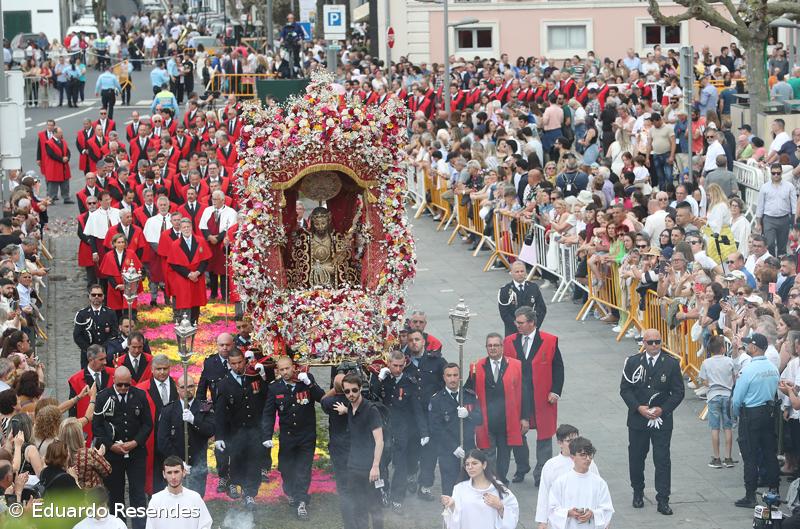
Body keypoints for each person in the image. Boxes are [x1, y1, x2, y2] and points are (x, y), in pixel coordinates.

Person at [620, 328, 685, 515]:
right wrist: (638, 408)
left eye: (658, 342)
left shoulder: (671, 363)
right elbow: (625, 389)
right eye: (651, 342)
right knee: (637, 457)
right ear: (644, 343)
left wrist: (663, 409)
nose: (655, 345)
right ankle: (638, 492)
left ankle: (663, 498)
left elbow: (678, 391)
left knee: (662, 460)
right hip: (638, 420)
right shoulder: (633, 362)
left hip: (661, 420)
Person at [503, 306, 564, 485]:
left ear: (532, 323)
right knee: (517, 433)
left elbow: (558, 367)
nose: (517, 325)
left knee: (544, 436)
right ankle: (522, 467)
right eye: (517, 322)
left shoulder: (550, 340)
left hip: (542, 396)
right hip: (518, 397)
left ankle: (542, 474)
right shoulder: (509, 341)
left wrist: (556, 391)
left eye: (521, 323)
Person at [262, 356, 325, 519]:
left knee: (304, 469)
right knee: (286, 468)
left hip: (306, 436)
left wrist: (310, 384)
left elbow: (321, 398)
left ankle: (301, 501)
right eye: (281, 369)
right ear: (277, 370)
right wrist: (267, 435)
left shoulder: (305, 380)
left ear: (293, 367)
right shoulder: (274, 388)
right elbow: (269, 413)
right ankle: (291, 491)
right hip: (288, 436)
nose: (284, 372)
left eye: (287, 368)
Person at [92, 366, 152, 529]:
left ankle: (140, 526)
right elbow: (96, 427)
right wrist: (111, 446)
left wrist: (135, 442)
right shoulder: (103, 397)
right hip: (113, 456)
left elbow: (147, 424)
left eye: (127, 384)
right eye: (120, 385)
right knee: (116, 495)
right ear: (114, 381)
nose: (124, 388)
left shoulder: (139, 395)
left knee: (138, 494)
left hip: (136, 453)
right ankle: (119, 526)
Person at [370, 350, 425, 513]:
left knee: (401, 465)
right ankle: (382, 491)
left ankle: (397, 498)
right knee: (381, 463)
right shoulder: (382, 378)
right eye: (395, 365)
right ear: (388, 364)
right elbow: (372, 396)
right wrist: (380, 378)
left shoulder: (410, 382)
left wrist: (424, 432)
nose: (398, 369)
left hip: (402, 429)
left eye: (401, 366)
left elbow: (417, 409)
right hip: (384, 428)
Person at [214, 347, 269, 507]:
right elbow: (220, 413)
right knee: (236, 460)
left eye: (239, 362)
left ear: (244, 361)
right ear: (229, 364)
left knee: (254, 462)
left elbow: (266, 397)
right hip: (235, 431)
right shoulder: (224, 384)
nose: (237, 366)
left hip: (254, 430)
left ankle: (250, 493)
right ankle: (234, 483)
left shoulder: (254, 378)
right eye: (233, 364)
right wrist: (220, 436)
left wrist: (264, 377)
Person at [465, 333, 522, 485]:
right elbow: (468, 390)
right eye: (490, 345)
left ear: (502, 347)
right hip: (486, 420)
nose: (493, 348)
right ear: (486, 347)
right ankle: (493, 481)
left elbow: (523, 393)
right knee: (488, 454)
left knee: (504, 455)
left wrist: (524, 417)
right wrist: (469, 411)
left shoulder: (516, 365)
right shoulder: (476, 367)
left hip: (506, 420)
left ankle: (502, 479)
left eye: (496, 345)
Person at [330, 372, 384, 529]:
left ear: (360, 388)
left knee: (374, 507)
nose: (351, 394)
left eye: (354, 390)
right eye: (347, 391)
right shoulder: (350, 408)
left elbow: (379, 441)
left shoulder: (371, 410)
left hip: (369, 467)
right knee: (359, 506)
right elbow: (354, 414)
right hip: (353, 466)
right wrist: (345, 410)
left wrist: (375, 466)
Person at [732, 332, 781, 508]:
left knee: (750, 456)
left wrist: (737, 414)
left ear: (754, 347)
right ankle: (774, 491)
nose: (746, 347)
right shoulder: (773, 368)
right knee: (770, 453)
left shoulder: (748, 370)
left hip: (750, 415)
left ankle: (750, 495)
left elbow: (737, 399)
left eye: (748, 345)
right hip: (769, 413)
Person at [404, 328, 447, 501]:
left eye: (417, 339)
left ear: (424, 342)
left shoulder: (435, 361)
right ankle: (412, 475)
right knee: (411, 449)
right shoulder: (403, 361)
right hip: (410, 415)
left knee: (430, 452)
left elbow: (447, 380)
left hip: (431, 414)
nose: (414, 343)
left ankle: (425, 485)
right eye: (411, 340)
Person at [429, 363, 482, 496]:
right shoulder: (437, 400)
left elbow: (480, 419)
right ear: (444, 377)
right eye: (449, 376)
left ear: (460, 377)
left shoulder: (469, 396)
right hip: (447, 451)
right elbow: (436, 428)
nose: (452, 379)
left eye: (455, 375)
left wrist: (468, 414)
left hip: (469, 449)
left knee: (471, 486)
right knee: (450, 488)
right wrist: (453, 447)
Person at [157, 375, 215, 496]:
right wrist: (178, 462)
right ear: (178, 389)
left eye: (190, 386)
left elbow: (211, 430)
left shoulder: (204, 407)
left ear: (195, 388)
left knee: (196, 500)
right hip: (175, 466)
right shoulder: (168, 410)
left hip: (198, 463)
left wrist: (194, 421)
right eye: (183, 387)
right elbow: (163, 441)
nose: (187, 390)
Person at [535, 424, 600, 529]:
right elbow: (544, 493)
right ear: (560, 443)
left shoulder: (588, 462)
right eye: (569, 441)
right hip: (560, 519)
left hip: (585, 518)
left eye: (576, 439)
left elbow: (599, 489)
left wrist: (601, 517)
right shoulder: (551, 465)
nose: (574, 444)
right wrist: (542, 521)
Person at [441, 449, 519, 529]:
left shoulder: (498, 489)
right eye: (467, 464)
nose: (470, 467)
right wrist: (452, 505)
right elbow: (454, 519)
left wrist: (500, 507)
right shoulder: (460, 488)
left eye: (474, 463)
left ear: (484, 465)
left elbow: (513, 513)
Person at [546, 437, 614, 529]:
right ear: (572, 457)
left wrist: (593, 513)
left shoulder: (599, 483)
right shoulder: (561, 482)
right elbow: (552, 509)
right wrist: (568, 513)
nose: (588, 459)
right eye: (583, 455)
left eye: (590, 455)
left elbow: (607, 509)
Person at [136, 354, 178, 494]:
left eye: (165, 368)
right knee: (154, 484)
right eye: (158, 369)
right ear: (152, 370)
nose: (162, 372)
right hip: (151, 441)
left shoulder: (178, 385)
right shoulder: (141, 389)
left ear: (169, 368)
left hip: (173, 441)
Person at [699, 335, 736, 469]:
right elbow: (734, 377)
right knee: (728, 427)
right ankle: (728, 457)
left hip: (713, 396)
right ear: (722, 348)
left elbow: (702, 379)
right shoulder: (729, 361)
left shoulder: (706, 363)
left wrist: (710, 383)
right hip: (727, 396)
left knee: (715, 428)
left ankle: (716, 457)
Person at [144, 456, 212, 529]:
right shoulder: (156, 500)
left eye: (176, 472)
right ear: (164, 474)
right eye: (169, 472)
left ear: (183, 472)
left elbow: (205, 525)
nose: (173, 477)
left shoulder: (195, 498)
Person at [168, 218, 211, 324]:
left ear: (192, 227)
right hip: (183, 278)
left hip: (197, 277)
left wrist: (198, 272)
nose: (186, 229)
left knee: (196, 301)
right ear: (180, 229)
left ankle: (194, 323)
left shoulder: (200, 241)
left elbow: (205, 260)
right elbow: (174, 264)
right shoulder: (175, 244)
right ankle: (184, 324)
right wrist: (188, 274)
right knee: (184, 301)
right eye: (184, 227)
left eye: (188, 227)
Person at [67, 344, 113, 442]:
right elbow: (72, 411)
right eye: (101, 360)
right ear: (91, 359)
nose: (105, 362)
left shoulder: (113, 374)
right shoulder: (76, 380)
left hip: (110, 429)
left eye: (105, 358)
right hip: (88, 431)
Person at [73, 285, 118, 369]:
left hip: (106, 353)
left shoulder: (110, 313)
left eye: (99, 295)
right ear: (89, 296)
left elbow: (114, 333)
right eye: (94, 295)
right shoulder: (82, 314)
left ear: (103, 296)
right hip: (88, 355)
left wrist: (102, 348)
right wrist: (89, 349)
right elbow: (77, 336)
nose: (96, 297)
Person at [757, 162, 797, 257]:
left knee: (782, 246)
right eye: (773, 173)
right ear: (770, 173)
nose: (776, 175)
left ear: (781, 173)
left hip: (784, 219)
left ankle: (781, 265)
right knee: (769, 243)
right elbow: (760, 206)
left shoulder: (789, 186)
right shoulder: (765, 187)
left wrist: (795, 221)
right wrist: (758, 223)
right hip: (769, 219)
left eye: (778, 173)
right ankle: (771, 264)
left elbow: (794, 205)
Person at [497, 261, 546, 336]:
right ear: (511, 273)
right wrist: (519, 326)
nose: (520, 274)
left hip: (531, 331)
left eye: (522, 271)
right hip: (513, 332)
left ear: (526, 272)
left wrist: (534, 325)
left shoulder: (533, 287)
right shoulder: (505, 290)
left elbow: (541, 309)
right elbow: (504, 314)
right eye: (517, 272)